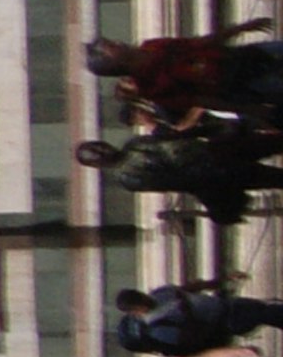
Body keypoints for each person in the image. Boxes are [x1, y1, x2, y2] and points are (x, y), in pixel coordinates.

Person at [93, 29, 283, 130]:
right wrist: (248, 109)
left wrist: (241, 28)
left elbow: (197, 43)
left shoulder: (152, 46)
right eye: (111, 46)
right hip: (241, 83)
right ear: (113, 63)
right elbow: (199, 101)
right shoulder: (152, 89)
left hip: (243, 56)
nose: (118, 42)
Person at [82, 131, 283, 226]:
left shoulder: (134, 142)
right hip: (213, 174)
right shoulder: (128, 177)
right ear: (97, 165)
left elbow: (173, 137)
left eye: (99, 146)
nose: (102, 150)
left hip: (215, 150)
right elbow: (175, 181)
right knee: (273, 177)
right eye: (97, 154)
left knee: (272, 143)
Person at [121, 281, 283, 357]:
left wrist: (220, 280)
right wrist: (188, 313)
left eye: (140, 296)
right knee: (268, 314)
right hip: (224, 322)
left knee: (266, 310)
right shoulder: (157, 328)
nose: (145, 300)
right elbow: (189, 338)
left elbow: (189, 288)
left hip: (225, 304)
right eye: (139, 303)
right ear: (135, 311)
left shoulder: (159, 293)